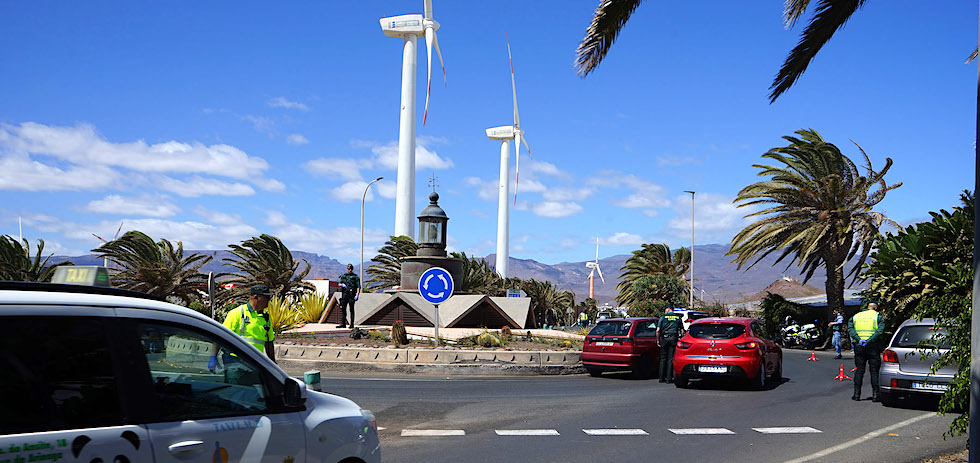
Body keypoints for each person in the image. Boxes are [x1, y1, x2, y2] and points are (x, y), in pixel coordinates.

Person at [210, 284, 276, 374]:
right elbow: (221, 335)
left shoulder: (265, 319)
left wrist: (273, 365)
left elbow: (269, 343)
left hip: (255, 363)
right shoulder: (237, 313)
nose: (269, 301)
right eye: (266, 298)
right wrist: (213, 356)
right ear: (256, 297)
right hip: (235, 362)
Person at [848, 302, 885, 402]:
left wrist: (859, 339)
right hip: (873, 346)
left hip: (859, 345)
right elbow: (880, 331)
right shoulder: (877, 317)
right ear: (876, 308)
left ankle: (856, 395)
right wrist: (869, 340)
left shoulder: (856, 316)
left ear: (867, 307)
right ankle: (876, 395)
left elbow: (850, 329)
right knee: (874, 370)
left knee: (859, 369)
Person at [657, 307, 684, 383]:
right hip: (673, 338)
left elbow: (658, 330)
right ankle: (669, 378)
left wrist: (658, 340)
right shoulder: (678, 318)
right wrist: (681, 339)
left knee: (662, 359)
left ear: (668, 309)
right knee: (670, 359)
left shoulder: (663, 318)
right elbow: (682, 331)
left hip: (664, 338)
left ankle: (661, 378)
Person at [337, 264, 361, 329]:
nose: (349, 270)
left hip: (351, 294)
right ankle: (343, 323)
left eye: (351, 269)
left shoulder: (355, 277)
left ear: (352, 269)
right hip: (344, 294)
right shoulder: (344, 276)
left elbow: (358, 286)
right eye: (348, 269)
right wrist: (342, 285)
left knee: (351, 309)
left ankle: (352, 324)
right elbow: (339, 284)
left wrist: (357, 294)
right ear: (347, 269)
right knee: (343, 309)